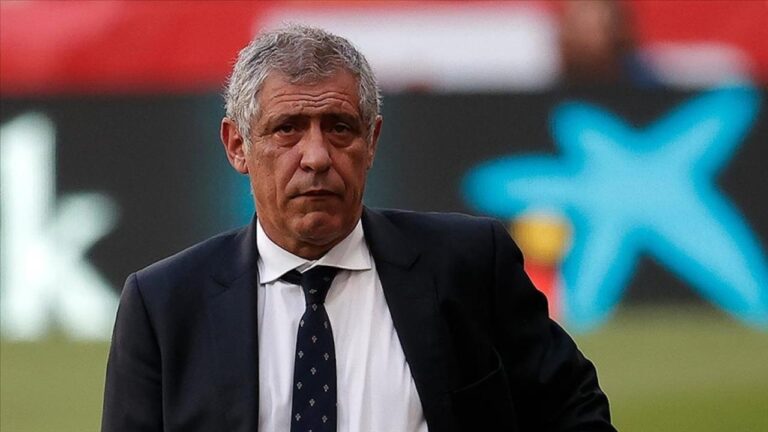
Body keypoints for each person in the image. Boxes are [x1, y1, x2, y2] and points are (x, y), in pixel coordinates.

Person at [102, 25, 615, 432]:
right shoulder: (164, 306)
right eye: (288, 129)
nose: (317, 156)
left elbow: (574, 412)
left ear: (371, 142)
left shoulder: (469, 265)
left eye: (340, 127)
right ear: (238, 146)